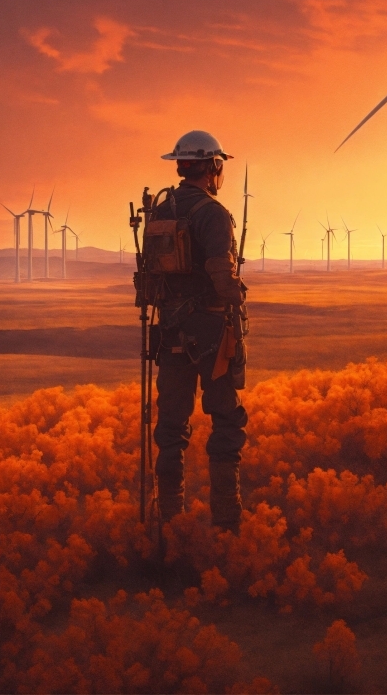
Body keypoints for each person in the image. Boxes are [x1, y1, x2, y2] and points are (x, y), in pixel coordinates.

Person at [152, 130, 247, 532]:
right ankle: (226, 520)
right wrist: (235, 300)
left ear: (180, 164)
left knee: (171, 425)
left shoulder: (160, 211)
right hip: (210, 329)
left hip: (169, 329)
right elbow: (220, 269)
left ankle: (169, 519)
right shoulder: (212, 212)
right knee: (226, 419)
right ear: (212, 166)